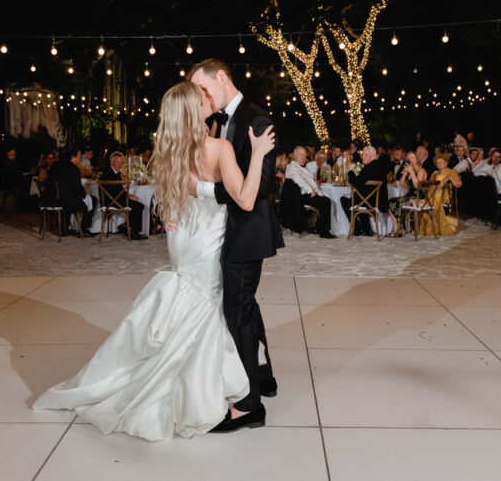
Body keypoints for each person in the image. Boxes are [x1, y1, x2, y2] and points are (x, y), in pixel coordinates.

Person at [34, 81, 275, 440]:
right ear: (194, 110)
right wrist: (256, 155)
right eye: (202, 99)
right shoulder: (219, 147)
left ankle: (183, 369)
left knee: (186, 296)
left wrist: (172, 211)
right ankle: (194, 382)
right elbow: (244, 199)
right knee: (204, 304)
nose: (208, 101)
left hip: (183, 240)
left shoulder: (168, 151)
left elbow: (169, 199)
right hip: (206, 240)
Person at [190, 58, 283, 432]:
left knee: (237, 310)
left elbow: (257, 190)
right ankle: (263, 374)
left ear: (222, 78)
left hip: (248, 231)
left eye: (203, 89)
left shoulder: (257, 119)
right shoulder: (221, 120)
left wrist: (200, 191)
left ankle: (248, 405)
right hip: (233, 230)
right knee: (246, 304)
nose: (202, 97)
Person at [340, 145, 396, 237]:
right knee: (361, 197)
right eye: (363, 155)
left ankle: (357, 228)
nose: (363, 157)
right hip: (379, 201)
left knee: (344, 200)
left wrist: (350, 172)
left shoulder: (368, 168)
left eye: (365, 155)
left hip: (369, 201)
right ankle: (367, 229)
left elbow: (356, 183)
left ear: (372, 156)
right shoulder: (381, 167)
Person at [285, 145, 336, 238]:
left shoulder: (303, 168)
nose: (303, 157)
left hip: (305, 195)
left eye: (304, 155)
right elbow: (299, 180)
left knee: (325, 200)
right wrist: (310, 191)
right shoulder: (292, 167)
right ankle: (323, 231)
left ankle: (319, 228)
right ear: (295, 156)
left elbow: (312, 182)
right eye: (300, 154)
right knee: (326, 202)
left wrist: (319, 193)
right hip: (299, 197)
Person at [99, 151, 147, 240]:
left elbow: (117, 191)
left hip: (113, 199)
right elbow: (115, 192)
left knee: (135, 204)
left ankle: (124, 226)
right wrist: (129, 197)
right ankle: (134, 232)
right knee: (138, 206)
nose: (121, 164)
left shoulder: (111, 172)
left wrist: (129, 196)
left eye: (122, 162)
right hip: (111, 201)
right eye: (119, 162)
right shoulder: (109, 174)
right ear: (113, 163)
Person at [48, 146, 92, 235]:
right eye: (79, 157)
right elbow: (77, 189)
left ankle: (65, 227)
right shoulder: (74, 169)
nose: (80, 159)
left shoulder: (54, 165)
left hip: (52, 200)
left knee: (69, 196)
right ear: (73, 157)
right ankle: (83, 229)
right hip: (66, 203)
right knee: (92, 200)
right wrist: (85, 193)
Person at [389, 151, 431, 235]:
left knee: (397, 203)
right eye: (408, 158)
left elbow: (417, 186)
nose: (410, 160)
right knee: (390, 202)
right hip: (409, 197)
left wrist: (411, 172)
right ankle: (397, 227)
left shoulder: (421, 170)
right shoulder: (409, 171)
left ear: (416, 159)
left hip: (418, 198)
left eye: (412, 158)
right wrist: (404, 175)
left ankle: (399, 229)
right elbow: (401, 185)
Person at [427, 154, 462, 236]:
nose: (439, 164)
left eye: (441, 162)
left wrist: (450, 178)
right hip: (431, 194)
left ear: (446, 163)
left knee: (434, 201)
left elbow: (459, 184)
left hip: (443, 195)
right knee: (427, 201)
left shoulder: (450, 172)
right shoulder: (435, 173)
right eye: (437, 162)